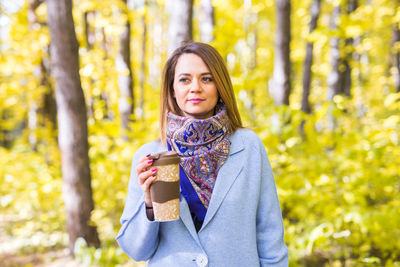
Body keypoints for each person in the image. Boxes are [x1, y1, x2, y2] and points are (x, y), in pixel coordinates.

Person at [116, 42, 288, 266]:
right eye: (185, 79)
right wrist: (149, 204)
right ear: (172, 89)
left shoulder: (248, 147)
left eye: (206, 78)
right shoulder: (153, 155)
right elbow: (137, 251)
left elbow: (270, 234)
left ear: (220, 86)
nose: (195, 87)